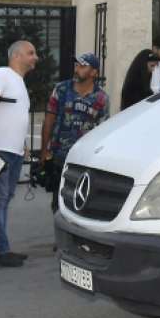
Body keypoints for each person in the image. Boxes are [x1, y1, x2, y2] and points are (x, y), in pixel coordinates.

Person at [0, 39, 38, 267]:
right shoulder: (0, 74)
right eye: (31, 53)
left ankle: (0, 248)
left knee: (3, 199)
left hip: (13, 153)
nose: (36, 57)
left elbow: (14, 116)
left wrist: (23, 145)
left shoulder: (18, 82)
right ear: (16, 55)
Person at [40, 53, 110, 212]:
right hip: (60, 155)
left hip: (84, 159)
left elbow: (103, 132)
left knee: (80, 200)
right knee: (58, 203)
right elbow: (49, 120)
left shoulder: (101, 98)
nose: (77, 69)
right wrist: (44, 151)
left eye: (83, 66)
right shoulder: (61, 90)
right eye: (77, 65)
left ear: (94, 72)